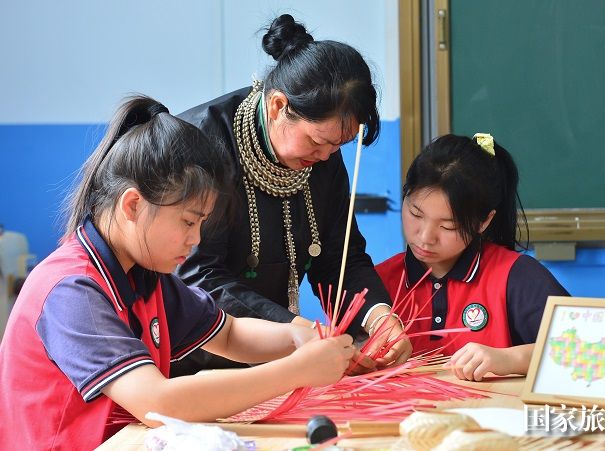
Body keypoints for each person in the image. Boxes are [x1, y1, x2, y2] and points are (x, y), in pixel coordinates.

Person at [0, 96, 354, 451]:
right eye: (188, 221)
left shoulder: (142, 273)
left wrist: (298, 336)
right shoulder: (72, 290)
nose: (195, 239)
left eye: (201, 224)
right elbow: (159, 404)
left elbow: (228, 334)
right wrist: (296, 371)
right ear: (133, 205)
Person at [174, 13, 410, 375]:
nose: (327, 157)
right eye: (318, 141)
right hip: (191, 363)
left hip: (278, 360)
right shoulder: (201, 144)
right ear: (278, 106)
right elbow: (199, 276)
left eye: (339, 146)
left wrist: (380, 317)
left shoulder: (323, 157)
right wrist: (301, 332)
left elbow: (338, 256)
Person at [375, 134, 569, 381]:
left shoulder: (516, 276)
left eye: (448, 226)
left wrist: (509, 359)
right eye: (415, 213)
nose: (425, 237)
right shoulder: (377, 283)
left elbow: (582, 352)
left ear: (484, 221)